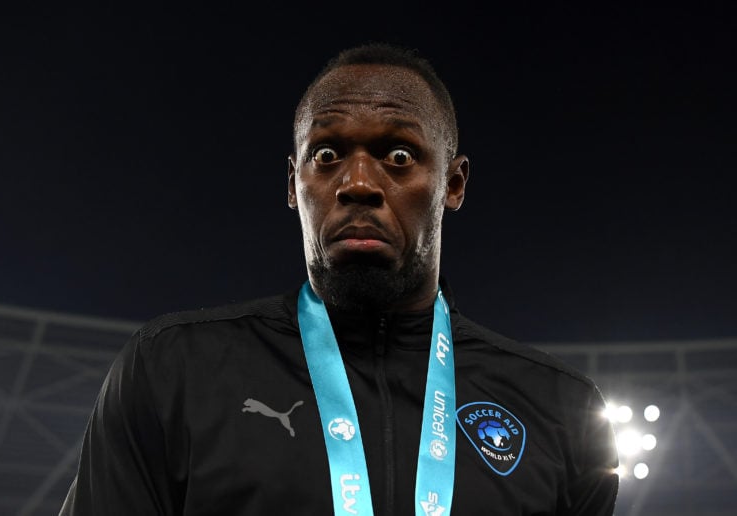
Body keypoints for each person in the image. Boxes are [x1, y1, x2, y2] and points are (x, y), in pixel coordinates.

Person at [60, 43, 619, 515]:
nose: (357, 182)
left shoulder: (561, 411)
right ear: (292, 184)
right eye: (326, 154)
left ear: (453, 183)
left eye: (398, 155)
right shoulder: (171, 370)